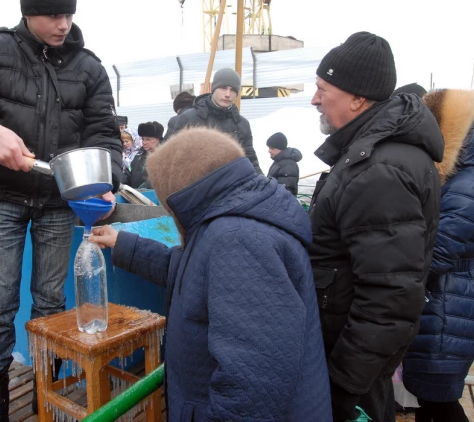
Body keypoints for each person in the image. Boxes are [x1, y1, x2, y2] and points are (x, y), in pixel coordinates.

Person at [0, 0, 122, 419]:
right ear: (28, 12)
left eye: (69, 15)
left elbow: (105, 136)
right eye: (53, 15)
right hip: (2, 197)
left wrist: (107, 179)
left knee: (50, 303)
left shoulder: (89, 67)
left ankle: (44, 389)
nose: (63, 25)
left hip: (59, 202)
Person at [91, 127, 332, 421]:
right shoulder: (232, 223)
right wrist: (123, 244)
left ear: (183, 193)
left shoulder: (238, 240)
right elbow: (189, 273)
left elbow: (252, 385)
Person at [308, 32, 444, 422]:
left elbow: (389, 296)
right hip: (356, 362)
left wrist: (343, 386)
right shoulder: (373, 156)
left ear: (357, 97)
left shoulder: (379, 170)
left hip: (353, 371)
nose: (315, 99)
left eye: (322, 88)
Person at [402, 89, 474, 422]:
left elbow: (442, 249)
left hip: (449, 305)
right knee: (431, 400)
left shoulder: (467, 181)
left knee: (438, 401)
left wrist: (395, 273)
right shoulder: (463, 175)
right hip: (448, 304)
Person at [167, 68, 262, 173]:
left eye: (233, 90)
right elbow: (174, 160)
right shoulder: (189, 119)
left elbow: (250, 160)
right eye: (223, 88)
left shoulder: (241, 124)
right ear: (213, 88)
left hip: (232, 186)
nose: (227, 94)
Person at [123, 122, 162, 189]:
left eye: (148, 139)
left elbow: (157, 179)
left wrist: (141, 190)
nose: (144, 142)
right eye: (143, 139)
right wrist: (121, 183)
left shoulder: (163, 157)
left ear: (158, 139)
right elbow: (129, 172)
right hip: (135, 195)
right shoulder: (139, 155)